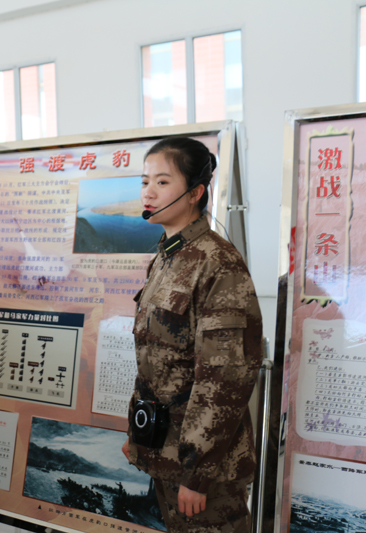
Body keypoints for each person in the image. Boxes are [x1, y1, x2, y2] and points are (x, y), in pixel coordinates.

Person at [122, 137, 262, 533]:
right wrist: (138, 435)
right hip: (165, 450)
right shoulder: (169, 255)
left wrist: (197, 472)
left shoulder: (218, 263)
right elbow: (155, 360)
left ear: (196, 192)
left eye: (163, 182)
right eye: (145, 181)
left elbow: (225, 378)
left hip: (203, 468)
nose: (149, 192)